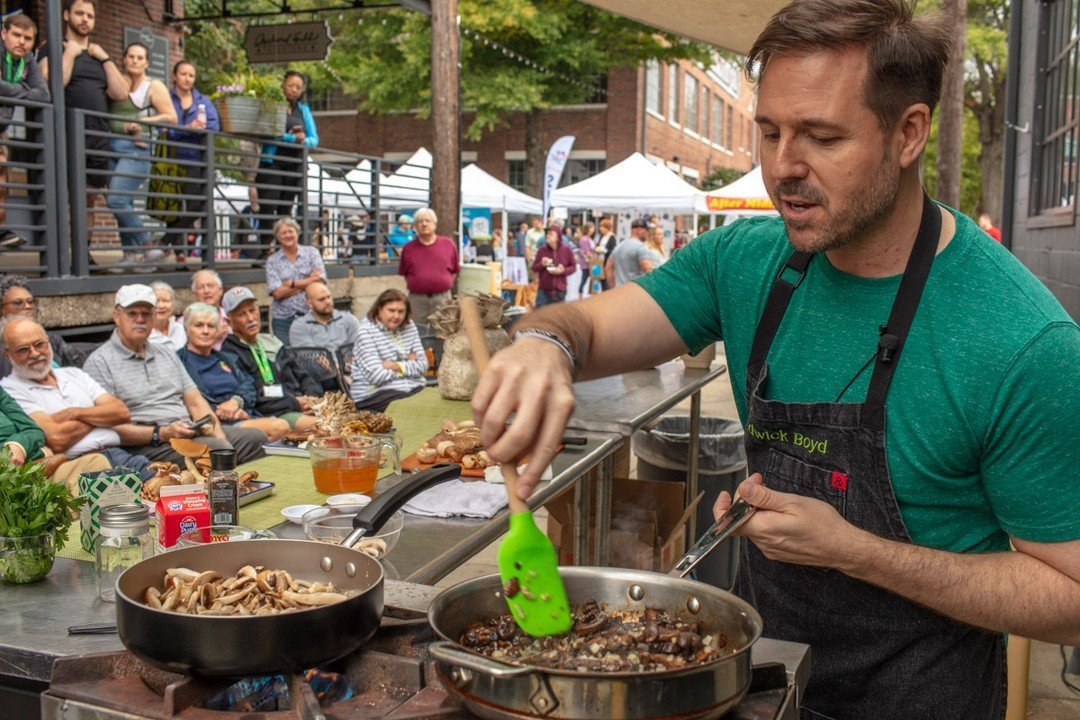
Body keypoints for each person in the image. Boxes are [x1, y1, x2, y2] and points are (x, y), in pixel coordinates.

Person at [470, 2, 1080, 718]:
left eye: (822, 137)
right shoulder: (744, 261)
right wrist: (545, 344)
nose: (782, 169)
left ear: (909, 132)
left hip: (922, 696)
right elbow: (587, 327)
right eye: (769, 131)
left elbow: (1070, 599)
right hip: (760, 683)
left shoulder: (1022, 342)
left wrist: (856, 551)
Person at [83, 284, 267, 465]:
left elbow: (196, 402)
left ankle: (240, 485)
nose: (140, 319)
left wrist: (219, 436)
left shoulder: (166, 353)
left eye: (146, 314)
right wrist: (161, 433)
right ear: (117, 316)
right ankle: (228, 488)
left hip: (187, 429)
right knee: (215, 451)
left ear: (154, 317)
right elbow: (108, 427)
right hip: (145, 441)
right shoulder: (100, 361)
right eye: (132, 313)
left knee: (257, 439)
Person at [1, 317, 150, 479]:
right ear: (8, 355)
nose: (35, 353)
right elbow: (56, 438)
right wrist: (101, 417)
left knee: (170, 488)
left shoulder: (73, 373)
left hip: (121, 454)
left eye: (39, 344)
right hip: (79, 466)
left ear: (48, 342)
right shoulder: (10, 388)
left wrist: (74, 413)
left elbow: (122, 412)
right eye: (23, 349)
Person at [39, 1, 126, 212]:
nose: (85, 19)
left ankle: (84, 246)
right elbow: (52, 82)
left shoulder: (99, 56)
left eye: (90, 15)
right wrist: (70, 53)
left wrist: (105, 58)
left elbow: (121, 93)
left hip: (97, 134)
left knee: (89, 200)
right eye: (79, 13)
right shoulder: (52, 46)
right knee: (65, 196)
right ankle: (64, 246)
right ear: (67, 15)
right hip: (66, 132)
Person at [176, 303, 290, 443]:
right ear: (187, 330)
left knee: (283, 429)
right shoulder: (179, 362)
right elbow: (192, 400)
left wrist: (237, 401)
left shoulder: (225, 357)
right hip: (215, 423)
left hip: (243, 414)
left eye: (211, 326)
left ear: (218, 331)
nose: (206, 331)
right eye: (199, 325)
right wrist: (227, 413)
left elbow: (249, 384)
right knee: (280, 427)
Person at [105, 42, 176, 266]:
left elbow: (171, 116)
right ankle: (130, 255)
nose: (135, 61)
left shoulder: (152, 85)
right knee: (123, 202)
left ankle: (147, 245)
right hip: (112, 146)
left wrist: (143, 121)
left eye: (140, 57)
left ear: (146, 62)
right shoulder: (119, 81)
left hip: (137, 147)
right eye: (131, 57)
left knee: (115, 199)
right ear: (124, 59)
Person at [219, 286, 320, 432]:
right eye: (241, 314)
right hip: (277, 413)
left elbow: (302, 375)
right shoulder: (229, 352)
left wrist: (312, 398)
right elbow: (256, 396)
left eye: (253, 310)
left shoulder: (272, 341)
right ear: (229, 322)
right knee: (330, 427)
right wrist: (295, 403)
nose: (250, 318)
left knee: (353, 421)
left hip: (301, 405)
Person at [163, 60, 220, 257]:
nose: (187, 79)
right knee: (173, 206)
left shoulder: (203, 101)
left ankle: (165, 239)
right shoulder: (166, 98)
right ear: (175, 75)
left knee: (198, 204)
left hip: (196, 159)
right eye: (183, 74)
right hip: (171, 158)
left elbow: (213, 128)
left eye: (191, 75)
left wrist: (189, 130)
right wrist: (188, 129)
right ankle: (178, 254)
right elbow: (164, 129)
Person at [0, 13, 48, 246]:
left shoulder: (27, 60)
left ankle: (1, 232)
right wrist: (21, 90)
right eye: (16, 35)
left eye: (27, 38)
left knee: (1, 180)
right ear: (3, 34)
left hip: (1, 130)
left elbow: (43, 94)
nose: (21, 42)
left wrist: (8, 90)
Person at [253, 71, 318, 221]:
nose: (294, 90)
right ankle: (265, 244)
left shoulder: (303, 109)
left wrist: (302, 141)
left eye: (298, 87)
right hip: (272, 164)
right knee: (268, 209)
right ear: (283, 85)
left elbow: (314, 139)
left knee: (286, 211)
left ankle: (282, 244)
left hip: (295, 165)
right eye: (291, 85)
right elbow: (269, 131)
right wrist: (291, 138)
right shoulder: (272, 105)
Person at [349, 289, 427, 412]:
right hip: (374, 394)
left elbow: (423, 366)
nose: (396, 316)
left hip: (412, 387)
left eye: (401, 311)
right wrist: (409, 364)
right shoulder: (366, 332)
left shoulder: (409, 326)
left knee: (436, 404)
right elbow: (377, 376)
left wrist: (395, 366)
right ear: (380, 309)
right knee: (416, 409)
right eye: (391, 310)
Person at [265, 217, 326, 343]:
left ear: (297, 233)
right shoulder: (272, 261)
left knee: (313, 356)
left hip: (311, 316)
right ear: (277, 237)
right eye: (283, 233)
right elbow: (277, 293)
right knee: (287, 359)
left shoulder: (312, 253)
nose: (288, 235)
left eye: (290, 231)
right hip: (283, 320)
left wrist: (293, 284)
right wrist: (309, 280)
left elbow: (320, 281)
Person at [397, 207, 459, 323]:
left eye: (427, 221)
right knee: (416, 332)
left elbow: (454, 271)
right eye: (420, 221)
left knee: (443, 333)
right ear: (415, 226)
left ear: (434, 224)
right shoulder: (408, 248)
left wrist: (440, 284)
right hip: (416, 299)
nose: (424, 224)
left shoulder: (448, 244)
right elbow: (405, 274)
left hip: (442, 299)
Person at [0, 276, 71, 377]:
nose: (27, 306)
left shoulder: (53, 340)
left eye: (30, 302)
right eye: (18, 303)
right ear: (2, 309)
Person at [288, 281, 361, 351]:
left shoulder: (349, 320)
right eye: (321, 299)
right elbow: (309, 356)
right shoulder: (300, 326)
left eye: (329, 297)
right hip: (317, 363)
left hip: (348, 363)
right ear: (310, 304)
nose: (328, 302)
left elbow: (359, 348)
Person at [531, 226, 576, 307]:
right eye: (547, 234)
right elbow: (534, 268)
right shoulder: (542, 250)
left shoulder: (566, 250)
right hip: (544, 291)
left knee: (556, 318)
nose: (547, 236)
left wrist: (563, 271)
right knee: (540, 316)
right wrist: (542, 264)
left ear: (558, 236)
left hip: (560, 291)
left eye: (551, 234)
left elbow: (573, 267)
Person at [603, 218, 654, 287]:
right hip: (635, 293)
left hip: (620, 293)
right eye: (647, 230)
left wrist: (614, 287)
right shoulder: (641, 247)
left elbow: (608, 269)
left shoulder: (618, 247)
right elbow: (649, 270)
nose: (648, 233)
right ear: (639, 230)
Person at [190, 269, 229, 349]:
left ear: (220, 290)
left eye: (210, 286)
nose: (206, 291)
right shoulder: (185, 321)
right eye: (201, 287)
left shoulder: (230, 317)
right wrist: (213, 336)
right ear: (194, 293)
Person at [147, 281, 185, 351]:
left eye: (165, 301)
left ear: (173, 304)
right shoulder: (143, 333)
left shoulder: (180, 329)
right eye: (156, 301)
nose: (161, 306)